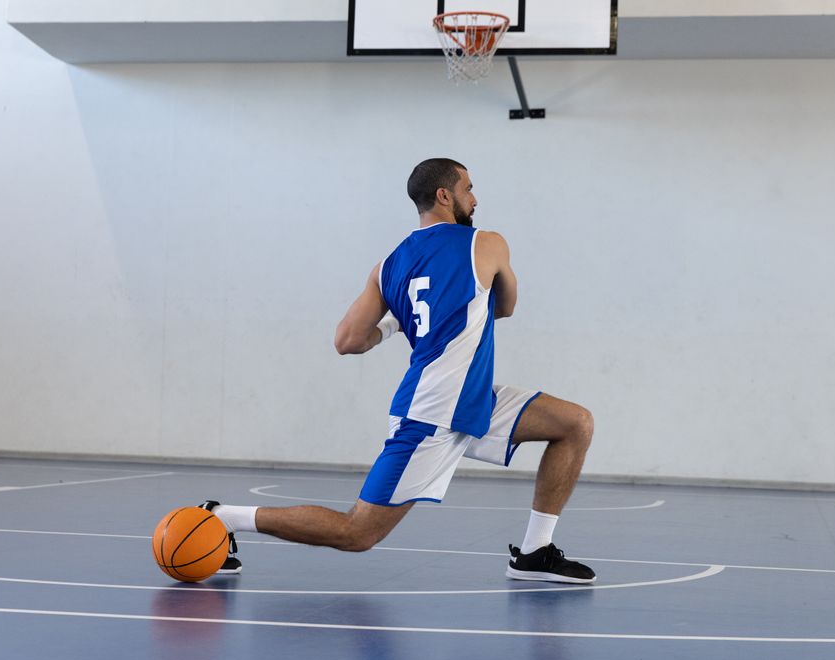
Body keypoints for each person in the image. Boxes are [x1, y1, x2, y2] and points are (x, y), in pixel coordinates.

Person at [200, 158, 596, 583]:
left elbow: (347, 340)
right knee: (357, 532)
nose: (475, 198)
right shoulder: (487, 243)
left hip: (473, 398)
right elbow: (505, 307)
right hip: (429, 414)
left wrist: (394, 322)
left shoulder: (388, 266)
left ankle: (535, 553)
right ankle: (223, 518)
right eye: (469, 189)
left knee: (574, 423)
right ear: (445, 195)